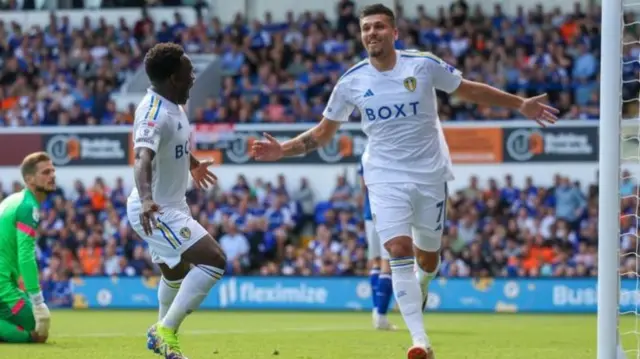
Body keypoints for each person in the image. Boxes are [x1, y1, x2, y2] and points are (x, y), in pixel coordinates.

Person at [250, 4, 558, 359]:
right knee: (397, 248)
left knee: (427, 260)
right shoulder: (351, 81)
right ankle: (419, 340)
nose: (372, 33)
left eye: (379, 26)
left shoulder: (422, 65)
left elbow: (468, 90)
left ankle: (423, 282)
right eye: (366, 28)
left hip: (429, 175)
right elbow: (321, 134)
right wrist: (281, 150)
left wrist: (520, 104)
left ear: (394, 33)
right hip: (383, 175)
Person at [127, 42, 227, 359]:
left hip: (170, 204)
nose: (194, 77)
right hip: (155, 209)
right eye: (189, 71)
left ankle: (162, 335)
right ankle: (165, 330)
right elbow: (142, 158)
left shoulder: (174, 104)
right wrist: (146, 200)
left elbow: (175, 144)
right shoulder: (153, 114)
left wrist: (193, 164)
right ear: (173, 77)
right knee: (215, 260)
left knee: (175, 274)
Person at [0, 152, 56, 344]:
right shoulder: (27, 207)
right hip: (2, 283)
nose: (52, 175)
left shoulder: (15, 200)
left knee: (34, 327)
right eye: (46, 172)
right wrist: (38, 301)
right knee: (34, 325)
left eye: (53, 170)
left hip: (6, 280)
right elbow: (26, 256)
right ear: (29, 179)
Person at [359, 156, 395, 331]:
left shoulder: (366, 154)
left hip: (369, 212)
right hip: (388, 213)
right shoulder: (392, 152)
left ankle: (376, 311)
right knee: (386, 264)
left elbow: (362, 185)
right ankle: (381, 315)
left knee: (374, 261)